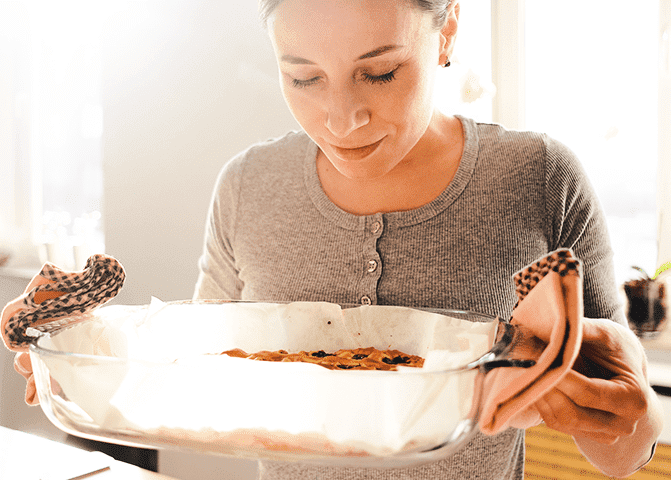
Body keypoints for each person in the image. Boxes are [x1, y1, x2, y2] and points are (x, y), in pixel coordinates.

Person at [5, 0, 663, 479]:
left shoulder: (538, 177)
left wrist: (619, 414)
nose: (341, 118)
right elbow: (199, 376)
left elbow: (625, 452)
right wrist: (77, 349)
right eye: (303, 77)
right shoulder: (247, 185)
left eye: (379, 72)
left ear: (446, 32)